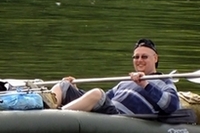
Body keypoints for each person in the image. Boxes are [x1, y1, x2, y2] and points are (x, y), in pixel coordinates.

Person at [50, 38, 180, 117]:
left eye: (144, 57)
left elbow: (172, 105)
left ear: (155, 58)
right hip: (109, 108)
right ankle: (45, 110)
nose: (139, 60)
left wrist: (146, 85)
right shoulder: (126, 81)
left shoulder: (164, 81)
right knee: (64, 86)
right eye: (136, 57)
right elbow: (106, 98)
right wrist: (77, 90)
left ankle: (54, 116)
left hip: (120, 116)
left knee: (97, 93)